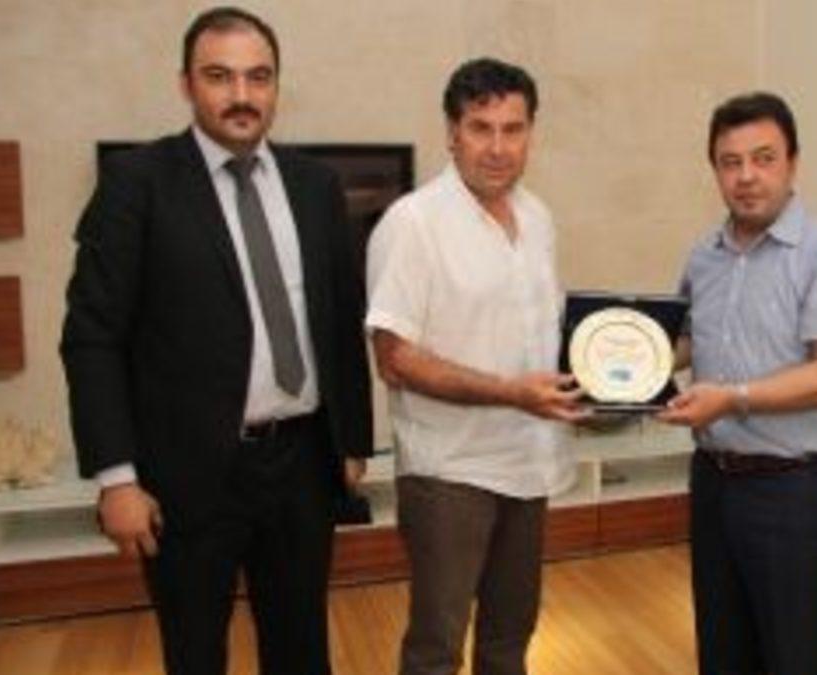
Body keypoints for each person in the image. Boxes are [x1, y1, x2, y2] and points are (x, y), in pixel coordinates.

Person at [60, 6, 372, 673]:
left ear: (276, 85)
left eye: (259, 77)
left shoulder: (315, 185)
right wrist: (116, 477)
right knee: (195, 653)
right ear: (186, 84)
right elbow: (92, 339)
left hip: (302, 468)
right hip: (186, 476)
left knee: (302, 651)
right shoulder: (136, 184)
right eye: (219, 76)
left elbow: (341, 320)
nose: (241, 95)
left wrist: (352, 441)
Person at [366, 58, 585, 675]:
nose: (497, 147)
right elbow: (395, 359)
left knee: (510, 640)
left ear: (531, 132)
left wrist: (597, 380)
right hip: (450, 473)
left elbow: (544, 333)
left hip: (529, 464)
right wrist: (512, 393)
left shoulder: (538, 217)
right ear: (451, 132)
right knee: (437, 648)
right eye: (480, 128)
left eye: (513, 129)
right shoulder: (412, 223)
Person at [659, 92, 817, 675]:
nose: (747, 176)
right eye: (730, 162)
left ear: (792, 163)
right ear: (715, 169)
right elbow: (688, 339)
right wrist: (616, 365)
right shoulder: (704, 255)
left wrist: (732, 398)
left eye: (763, 158)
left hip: (792, 489)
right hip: (713, 482)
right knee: (722, 651)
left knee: (793, 655)